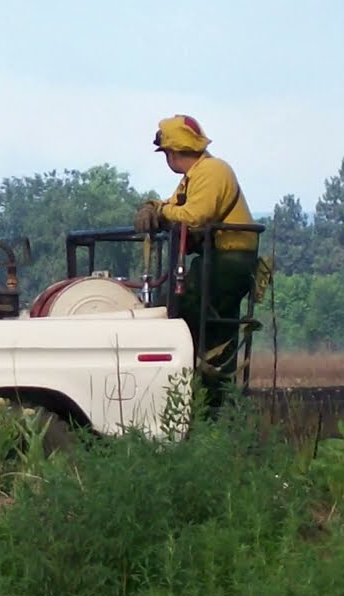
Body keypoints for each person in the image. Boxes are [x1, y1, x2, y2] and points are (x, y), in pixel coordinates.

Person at [134, 114, 260, 401]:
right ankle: (209, 394)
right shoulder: (197, 175)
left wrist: (161, 213)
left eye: (166, 153)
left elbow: (192, 215)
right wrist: (152, 206)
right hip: (217, 261)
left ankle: (194, 389)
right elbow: (175, 204)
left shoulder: (213, 171)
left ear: (173, 152)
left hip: (230, 261)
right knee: (208, 327)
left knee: (182, 312)